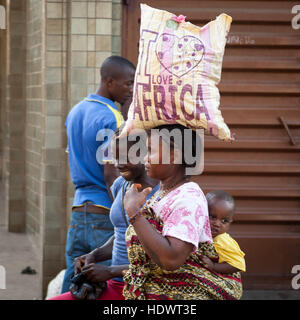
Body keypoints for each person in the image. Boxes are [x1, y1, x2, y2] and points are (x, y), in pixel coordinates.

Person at [122, 124, 243, 300]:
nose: (145, 158)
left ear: (175, 155)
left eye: (151, 150)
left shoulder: (189, 198)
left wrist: (134, 212)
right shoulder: (164, 193)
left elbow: (170, 260)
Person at [50, 128, 159, 300]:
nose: (118, 164)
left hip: (146, 288)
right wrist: (95, 255)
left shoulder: (162, 196)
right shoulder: (120, 186)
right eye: (115, 157)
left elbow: (163, 261)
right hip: (117, 283)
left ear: (145, 153)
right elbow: (121, 234)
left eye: (125, 156)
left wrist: (109, 271)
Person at [61, 56, 135, 293]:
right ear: (109, 81)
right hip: (103, 217)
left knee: (72, 287)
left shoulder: (75, 112)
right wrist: (125, 216)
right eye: (128, 83)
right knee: (100, 291)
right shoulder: (112, 117)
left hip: (78, 214)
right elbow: (111, 173)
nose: (131, 90)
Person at [200, 190, 246, 275]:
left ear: (230, 222)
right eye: (213, 217)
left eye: (224, 221)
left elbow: (238, 264)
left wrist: (214, 266)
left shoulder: (222, 240)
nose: (217, 224)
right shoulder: (198, 231)